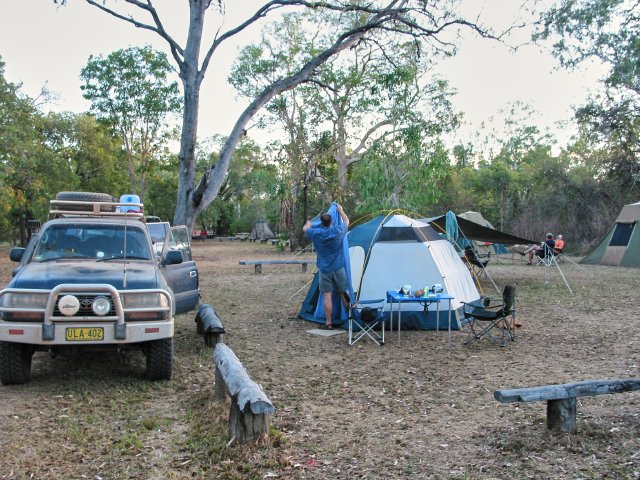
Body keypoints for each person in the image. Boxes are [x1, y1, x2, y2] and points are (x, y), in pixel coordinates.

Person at [303, 204, 350, 329]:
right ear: (332, 221)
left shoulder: (316, 234)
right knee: (343, 293)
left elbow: (305, 228)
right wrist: (341, 210)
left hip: (325, 270)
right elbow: (347, 221)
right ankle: (350, 318)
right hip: (339, 268)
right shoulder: (338, 231)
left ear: (322, 223)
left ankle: (328, 323)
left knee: (327, 296)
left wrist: (311, 223)